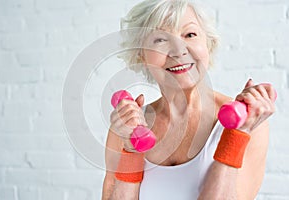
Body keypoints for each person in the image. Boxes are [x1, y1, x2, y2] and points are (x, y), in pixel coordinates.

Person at [102, 0, 276, 199]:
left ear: (208, 45)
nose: (178, 51)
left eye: (190, 34)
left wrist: (237, 136)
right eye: (160, 39)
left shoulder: (249, 124)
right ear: (142, 54)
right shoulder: (125, 127)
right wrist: (130, 151)